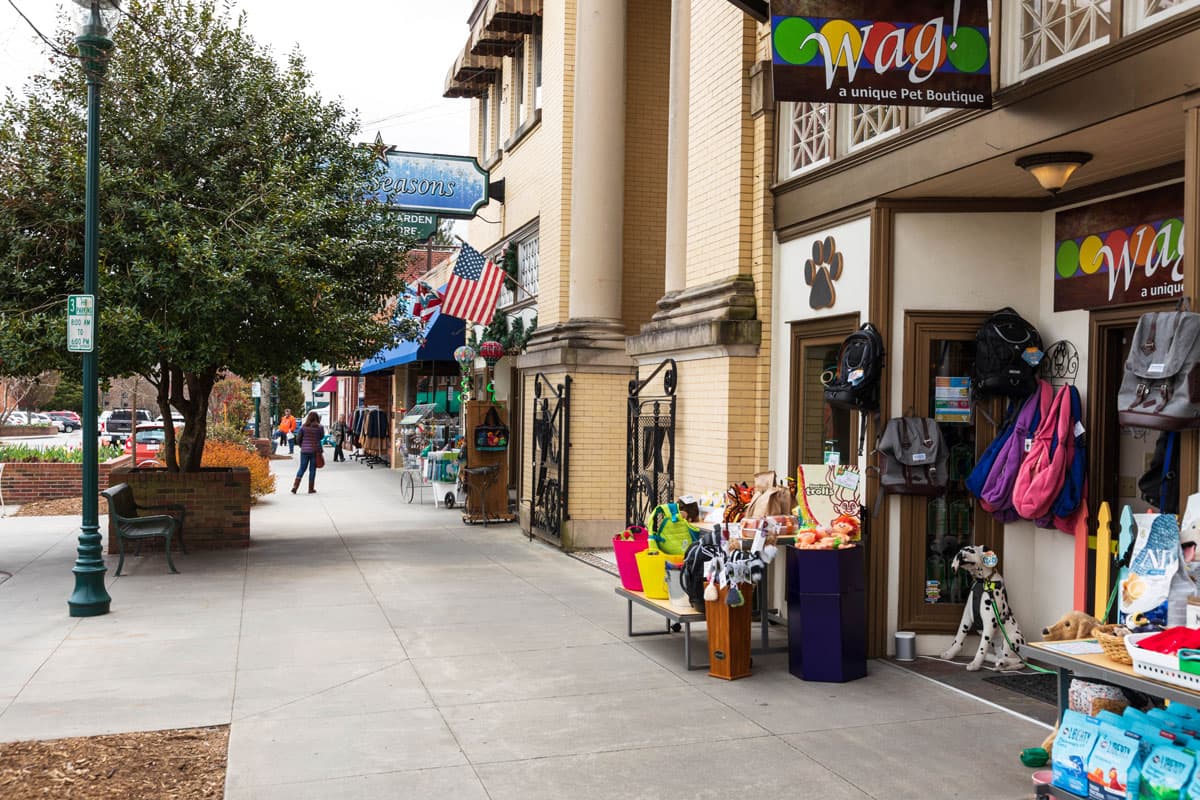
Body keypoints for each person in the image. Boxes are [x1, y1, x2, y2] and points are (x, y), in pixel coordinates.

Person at [291, 411, 326, 494]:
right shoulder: (320, 427)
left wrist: (302, 446)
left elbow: (298, 439)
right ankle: (310, 489)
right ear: (317, 418)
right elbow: (321, 437)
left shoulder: (303, 427)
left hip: (304, 451)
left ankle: (295, 487)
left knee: (302, 468)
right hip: (315, 451)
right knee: (312, 469)